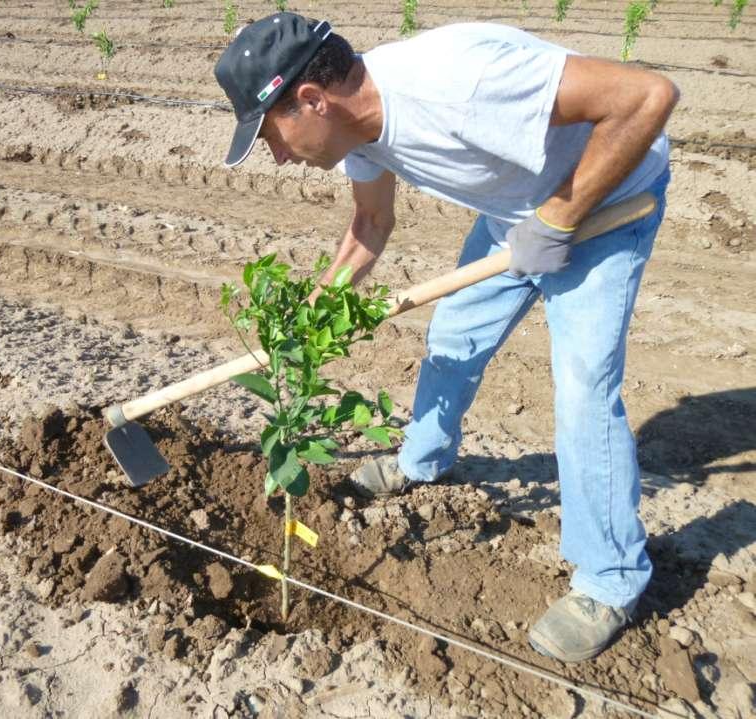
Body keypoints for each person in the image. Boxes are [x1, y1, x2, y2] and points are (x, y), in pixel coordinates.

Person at [213, 13, 678, 663]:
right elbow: (371, 222)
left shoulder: (458, 81)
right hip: (516, 215)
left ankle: (608, 581)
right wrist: (312, 317)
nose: (280, 155)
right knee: (453, 337)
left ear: (312, 101)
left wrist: (559, 218)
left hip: (605, 203)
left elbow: (646, 95)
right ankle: (420, 458)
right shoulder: (359, 130)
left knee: (582, 387)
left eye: (271, 135)